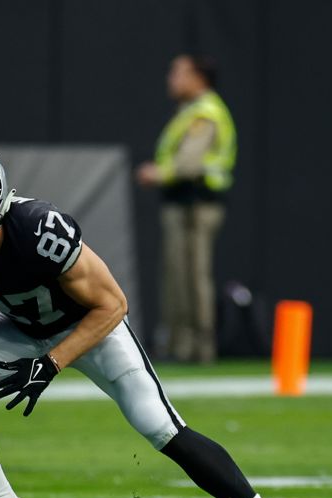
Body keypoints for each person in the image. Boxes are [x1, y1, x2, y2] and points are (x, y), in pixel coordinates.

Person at [0, 147, 310, 498]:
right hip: (17, 327)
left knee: (160, 427)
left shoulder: (37, 230)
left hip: (87, 325)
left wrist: (52, 363)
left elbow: (113, 304)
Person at [137, 54, 236, 364]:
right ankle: (179, 346)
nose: (172, 79)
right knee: (177, 278)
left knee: (193, 279)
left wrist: (157, 173)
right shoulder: (190, 111)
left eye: (179, 73)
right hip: (181, 204)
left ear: (199, 79)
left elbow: (189, 164)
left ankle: (199, 349)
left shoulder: (204, 113)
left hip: (196, 206)